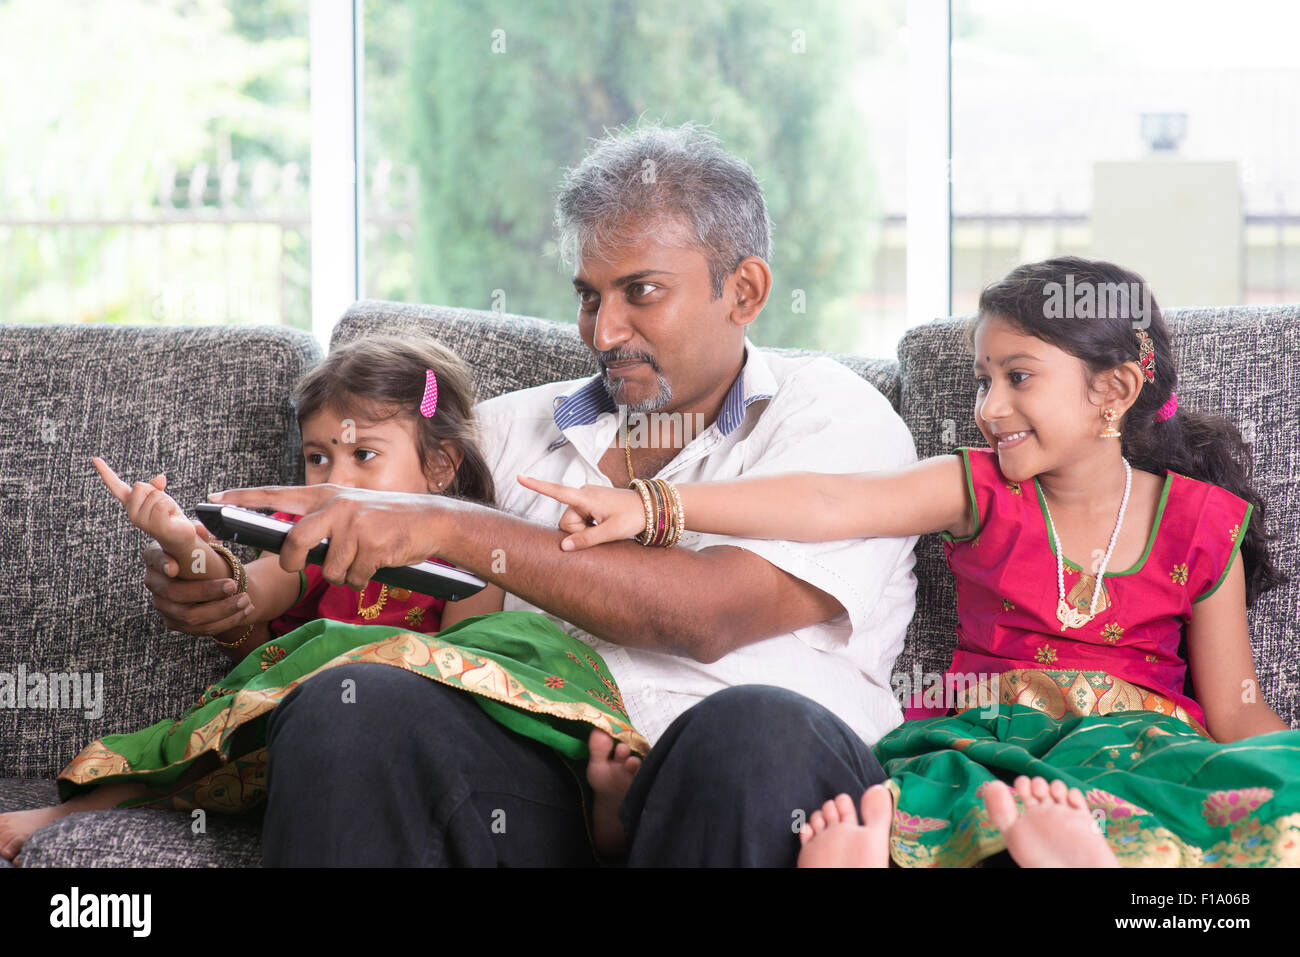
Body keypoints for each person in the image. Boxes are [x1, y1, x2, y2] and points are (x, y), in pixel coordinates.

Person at [144, 122, 921, 866]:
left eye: (641, 292)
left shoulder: (834, 416)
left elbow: (708, 616)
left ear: (744, 290)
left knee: (754, 727)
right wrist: (228, 602)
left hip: (759, 778)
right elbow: (360, 577)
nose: (603, 330)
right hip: (542, 776)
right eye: (589, 296)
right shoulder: (504, 431)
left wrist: (455, 527)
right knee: (353, 703)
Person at [525, 256, 1300, 867]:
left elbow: (1237, 713)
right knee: (929, 806)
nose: (988, 408)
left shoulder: (1203, 527)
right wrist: (659, 505)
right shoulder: (978, 485)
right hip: (984, 748)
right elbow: (832, 502)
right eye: (983, 380)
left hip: (1139, 757)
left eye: (1018, 377)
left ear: (1116, 389)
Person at [0, 334, 646, 864]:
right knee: (182, 750)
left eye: (365, 455)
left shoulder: (471, 559)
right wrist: (181, 538)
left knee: (517, 660)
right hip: (291, 736)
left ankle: (604, 816)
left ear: (441, 465)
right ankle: (61, 815)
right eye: (317, 458)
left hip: (390, 738)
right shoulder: (308, 550)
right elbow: (239, 596)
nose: (336, 482)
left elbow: (465, 672)